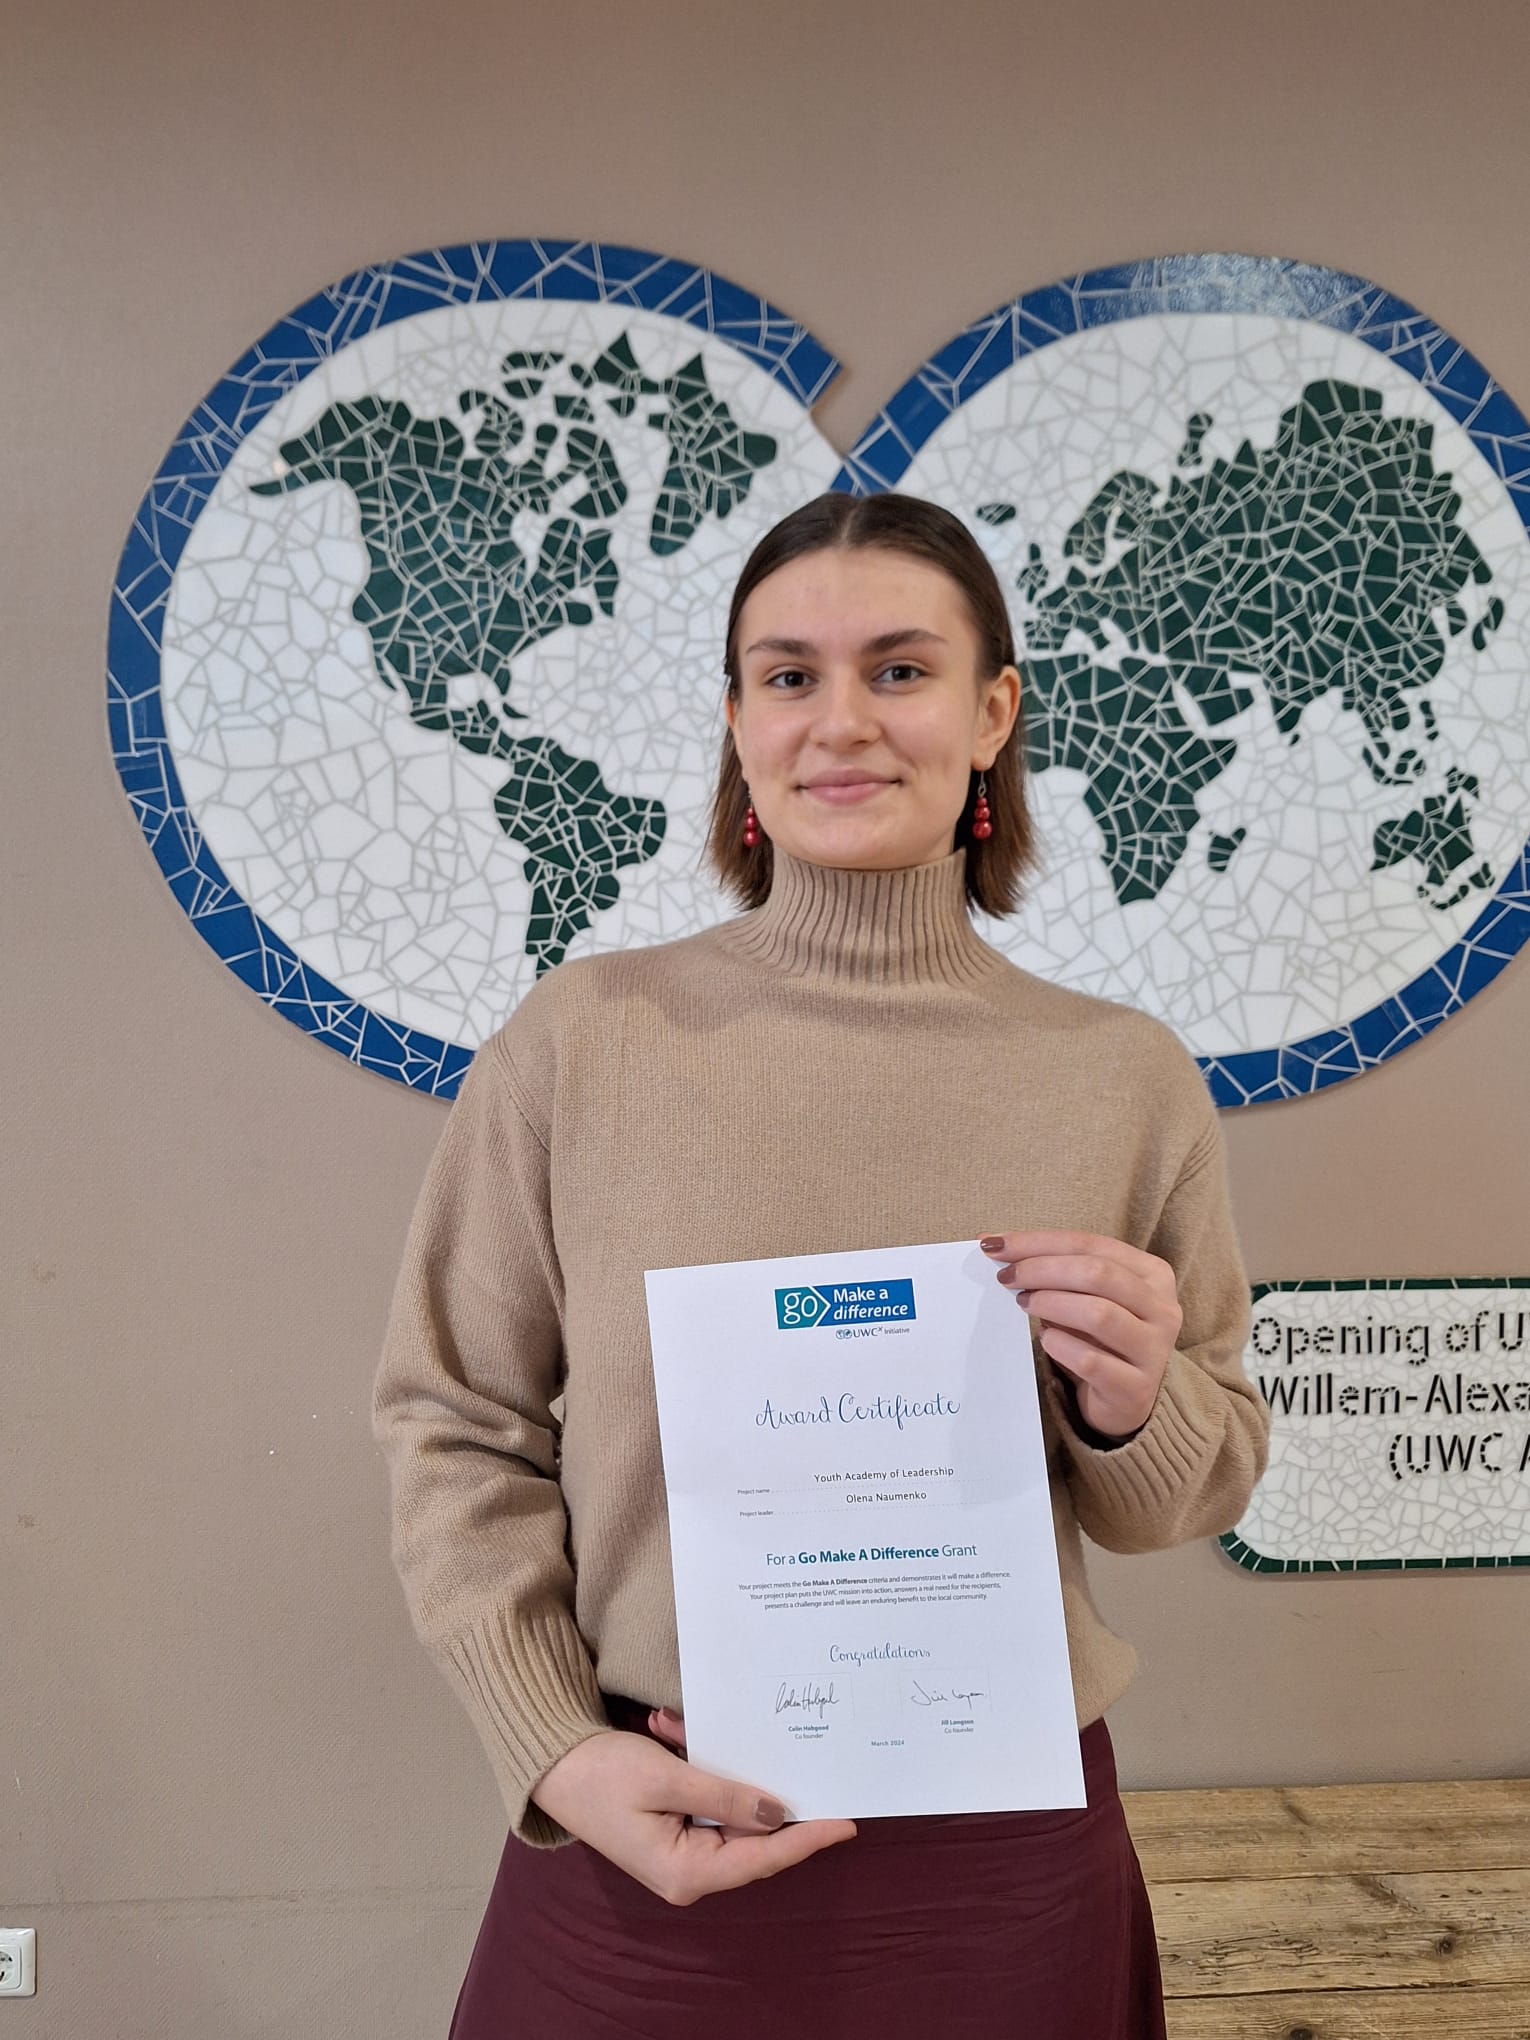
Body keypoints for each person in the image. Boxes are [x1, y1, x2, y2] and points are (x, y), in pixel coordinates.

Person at [372, 490, 1272, 2039]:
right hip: (649, 1827)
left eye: (899, 670)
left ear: (992, 711)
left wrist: (1139, 1407)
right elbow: (454, 1422)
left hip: (998, 1868)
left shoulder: (1119, 1075)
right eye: (787, 676)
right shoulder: (581, 1046)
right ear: (736, 721)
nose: (840, 721)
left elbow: (1185, 1491)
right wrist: (552, 1750)